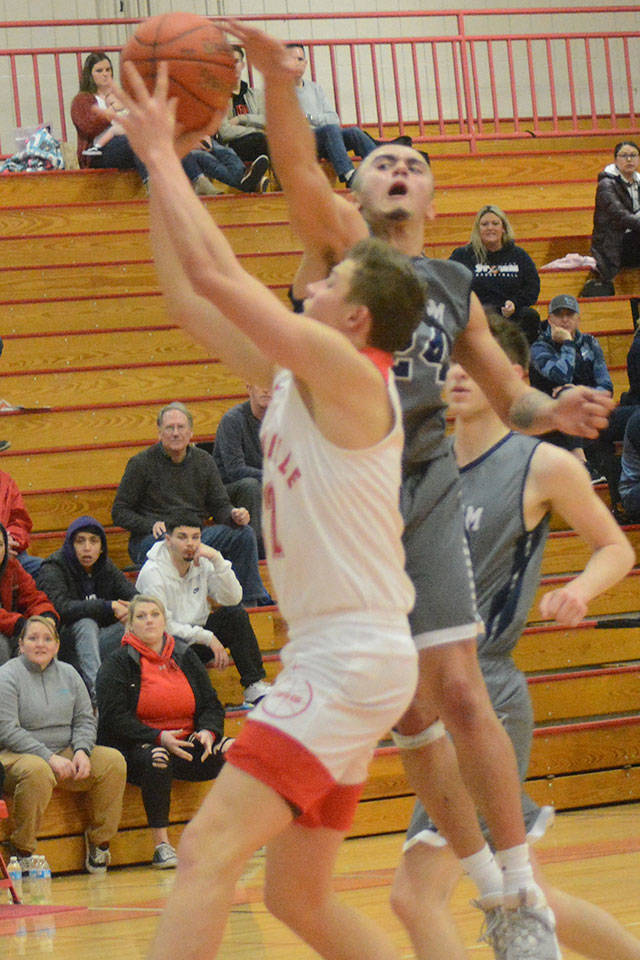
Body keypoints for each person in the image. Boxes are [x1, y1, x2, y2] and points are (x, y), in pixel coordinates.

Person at [223, 20, 615, 956]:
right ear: (357, 188)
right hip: (341, 495)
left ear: (432, 192)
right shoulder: (345, 249)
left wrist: (551, 413)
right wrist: (281, 85)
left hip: (424, 480)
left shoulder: (453, 285)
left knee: (457, 688)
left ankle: (515, 898)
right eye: (383, 160)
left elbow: (510, 392)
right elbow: (294, 168)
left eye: (414, 162)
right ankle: (488, 881)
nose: (399, 167)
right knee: (409, 711)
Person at [112, 57, 428, 960]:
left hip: (351, 657)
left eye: (328, 287)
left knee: (207, 851)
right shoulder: (297, 381)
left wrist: (165, 154)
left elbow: (221, 278)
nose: (308, 285)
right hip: (341, 657)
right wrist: (155, 172)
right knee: (296, 898)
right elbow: (186, 292)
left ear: (358, 320)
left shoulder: (354, 377)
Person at [390, 317, 635, 960]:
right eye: (451, 364)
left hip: (485, 687)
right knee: (530, 895)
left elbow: (614, 548)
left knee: (418, 897)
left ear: (515, 379)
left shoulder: (543, 463)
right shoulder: (425, 464)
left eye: (480, 363)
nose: (461, 374)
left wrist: (580, 589)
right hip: (429, 694)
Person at [96, 595, 230, 869]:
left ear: (164, 621)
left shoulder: (184, 655)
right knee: (158, 758)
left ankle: (242, 832)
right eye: (141, 616)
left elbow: (211, 704)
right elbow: (113, 718)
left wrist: (208, 731)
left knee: (239, 751)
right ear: (130, 626)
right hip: (138, 748)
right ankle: (162, 845)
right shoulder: (117, 663)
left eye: (155, 615)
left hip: (188, 743)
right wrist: (159, 737)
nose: (149, 620)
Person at [111, 401, 272, 607]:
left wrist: (233, 514)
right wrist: (148, 524)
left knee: (243, 534)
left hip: (195, 535)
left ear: (191, 432)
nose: (176, 433)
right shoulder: (141, 464)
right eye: (170, 428)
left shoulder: (204, 461)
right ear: (160, 433)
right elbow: (119, 512)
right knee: (163, 546)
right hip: (155, 538)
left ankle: (250, 602)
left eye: (181, 427)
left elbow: (219, 504)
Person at [0, 616, 126, 872]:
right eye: (33, 638)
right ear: (21, 644)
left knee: (113, 761)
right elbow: (7, 730)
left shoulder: (70, 674)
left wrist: (81, 750)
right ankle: (22, 848)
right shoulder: (7, 675)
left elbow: (85, 719)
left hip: (65, 751)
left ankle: (99, 844)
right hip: (17, 755)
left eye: (47, 639)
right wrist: (49, 756)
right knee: (37, 770)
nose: (40, 644)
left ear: (57, 645)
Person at [135, 513, 270, 708]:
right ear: (168, 540)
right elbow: (162, 627)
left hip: (196, 638)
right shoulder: (153, 573)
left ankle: (253, 685)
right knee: (176, 646)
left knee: (235, 615)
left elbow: (232, 598)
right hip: (165, 648)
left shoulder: (202, 560)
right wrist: (206, 637)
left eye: (195, 537)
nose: (190, 543)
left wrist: (217, 559)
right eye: (182, 537)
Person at [70, 50, 221, 197]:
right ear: (90, 74)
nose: (105, 74)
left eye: (108, 70)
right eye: (99, 70)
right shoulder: (83, 99)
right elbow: (88, 127)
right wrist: (112, 113)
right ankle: (154, 188)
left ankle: (199, 180)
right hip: (101, 151)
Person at [35, 515, 137, 706]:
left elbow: (135, 597)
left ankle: (140, 690)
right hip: (64, 645)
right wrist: (108, 606)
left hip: (99, 643)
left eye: (93, 541)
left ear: (101, 547)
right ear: (70, 545)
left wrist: (131, 610)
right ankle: (99, 695)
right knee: (86, 622)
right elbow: (61, 608)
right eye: (80, 541)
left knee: (140, 620)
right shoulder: (53, 567)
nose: (87, 547)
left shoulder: (105, 566)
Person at [529, 293, 613, 482]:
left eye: (570, 314)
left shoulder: (590, 343)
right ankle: (581, 464)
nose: (565, 319)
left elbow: (606, 385)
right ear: (550, 319)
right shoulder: (540, 348)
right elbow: (561, 375)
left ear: (578, 318)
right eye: (559, 315)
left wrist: (585, 397)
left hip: (588, 409)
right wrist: (567, 342)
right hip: (551, 414)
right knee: (567, 397)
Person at [285, 43, 379, 187]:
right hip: (301, 143)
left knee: (353, 131)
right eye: (291, 59)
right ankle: (349, 175)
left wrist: (310, 118)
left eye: (300, 59)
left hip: (325, 138)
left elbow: (334, 119)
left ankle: (382, 167)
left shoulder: (315, 88)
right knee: (330, 130)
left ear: (305, 63)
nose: (296, 63)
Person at [449, 204, 541, 344]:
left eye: (495, 223)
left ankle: (521, 361)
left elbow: (532, 287)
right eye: (485, 224)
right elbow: (449, 284)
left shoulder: (519, 255)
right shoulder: (463, 255)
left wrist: (515, 304)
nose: (490, 228)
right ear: (478, 229)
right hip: (476, 316)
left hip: (509, 316)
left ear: (503, 228)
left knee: (530, 316)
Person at [213, 384, 271, 557]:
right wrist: (273, 478)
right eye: (260, 384)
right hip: (229, 489)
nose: (266, 389)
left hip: (265, 483)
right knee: (251, 486)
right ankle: (255, 552)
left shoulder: (282, 422)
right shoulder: (233, 420)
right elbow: (235, 470)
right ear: (249, 388)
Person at [0, 523, 58, 666]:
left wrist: (46, 618)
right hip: (7, 632)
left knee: (44, 638)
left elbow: (34, 597)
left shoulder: (12, 567)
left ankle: (47, 686)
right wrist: (21, 624)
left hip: (11, 630)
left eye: (0, 545)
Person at [588, 140, 640, 289]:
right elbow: (621, 216)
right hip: (613, 242)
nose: (629, 159)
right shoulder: (606, 184)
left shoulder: (639, 181)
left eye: (633, 155)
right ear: (615, 160)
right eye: (624, 155)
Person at [217, 45, 270, 163]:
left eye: (236, 62)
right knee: (263, 139)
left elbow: (267, 121)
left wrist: (242, 119)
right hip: (234, 146)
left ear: (243, 65)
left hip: (260, 142)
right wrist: (255, 130)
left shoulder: (255, 94)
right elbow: (225, 132)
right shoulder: (218, 97)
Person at [0, 466, 42, 577]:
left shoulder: (6, 482)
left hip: (10, 553)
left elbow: (20, 522)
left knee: (47, 570)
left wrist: (10, 540)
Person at [191, 139, 270, 194]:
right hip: (184, 148)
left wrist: (203, 135)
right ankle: (249, 183)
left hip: (198, 137)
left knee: (227, 152)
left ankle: (247, 180)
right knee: (205, 157)